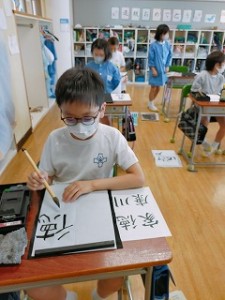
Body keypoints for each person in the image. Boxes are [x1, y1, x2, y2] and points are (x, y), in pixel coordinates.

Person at [26, 67, 145, 300]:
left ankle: (99, 295)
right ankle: (67, 297)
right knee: (34, 284)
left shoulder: (112, 137)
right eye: (70, 118)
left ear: (102, 110)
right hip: (62, 212)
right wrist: (40, 180)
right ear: (60, 111)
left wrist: (91, 185)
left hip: (99, 213)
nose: (79, 125)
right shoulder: (55, 139)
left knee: (117, 272)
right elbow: (47, 176)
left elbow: (138, 177)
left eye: (88, 118)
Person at [191, 50, 225, 156]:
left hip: (216, 106)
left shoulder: (221, 78)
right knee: (204, 121)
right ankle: (203, 141)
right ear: (216, 65)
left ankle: (214, 146)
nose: (223, 66)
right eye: (222, 64)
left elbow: (219, 93)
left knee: (224, 124)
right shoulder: (202, 75)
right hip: (202, 106)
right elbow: (194, 91)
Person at [148, 24, 172, 112]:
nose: (167, 35)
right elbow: (150, 59)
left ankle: (151, 101)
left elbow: (169, 56)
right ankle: (150, 103)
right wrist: (153, 69)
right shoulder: (153, 45)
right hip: (155, 69)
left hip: (163, 70)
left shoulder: (167, 44)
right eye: (165, 33)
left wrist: (167, 66)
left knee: (159, 87)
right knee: (153, 87)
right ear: (161, 34)